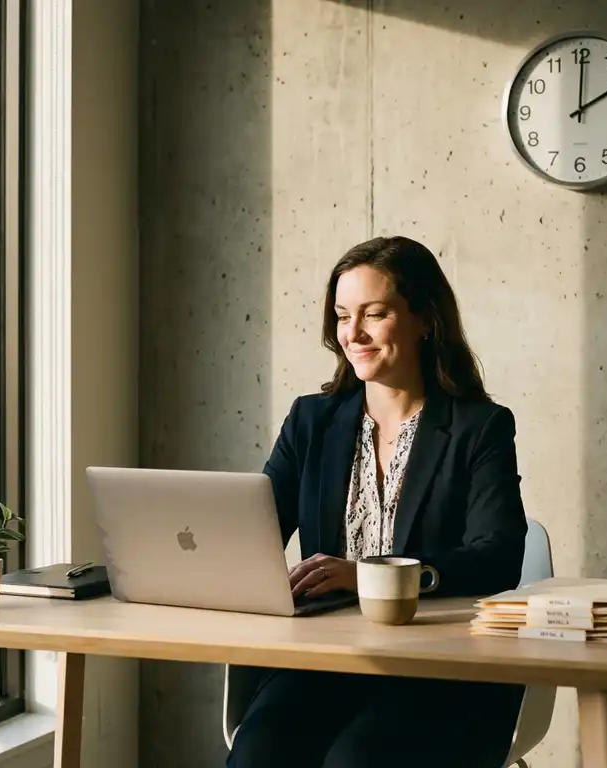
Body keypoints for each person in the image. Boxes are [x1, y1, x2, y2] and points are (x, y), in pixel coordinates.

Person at [226, 236, 529, 768]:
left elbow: (497, 558)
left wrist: (367, 575)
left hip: (442, 671)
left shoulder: (480, 427)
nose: (354, 333)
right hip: (325, 661)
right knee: (257, 753)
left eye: (375, 314)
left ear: (425, 319)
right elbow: (254, 534)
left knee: (356, 762)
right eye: (343, 316)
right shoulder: (311, 421)